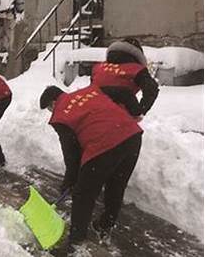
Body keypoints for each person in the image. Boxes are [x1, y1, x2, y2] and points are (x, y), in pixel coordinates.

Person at [39, 85, 143, 256]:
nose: (51, 112)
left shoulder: (60, 115)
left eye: (50, 108)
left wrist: (71, 181)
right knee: (116, 186)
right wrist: (136, 111)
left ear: (53, 102)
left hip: (104, 143)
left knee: (83, 195)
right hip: (132, 136)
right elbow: (123, 92)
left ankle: (76, 243)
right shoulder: (91, 90)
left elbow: (71, 154)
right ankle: (104, 226)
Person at [90, 38, 159, 118]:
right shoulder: (136, 69)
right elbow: (151, 88)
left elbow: (92, 87)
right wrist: (141, 111)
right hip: (120, 112)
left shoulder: (98, 67)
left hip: (93, 108)